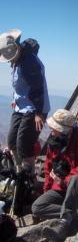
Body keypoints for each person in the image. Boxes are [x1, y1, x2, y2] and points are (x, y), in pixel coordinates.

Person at [32, 109, 78, 242]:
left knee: (76, 179)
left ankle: (63, 224)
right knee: (37, 207)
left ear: (64, 130)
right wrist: (47, 191)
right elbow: (48, 169)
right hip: (61, 188)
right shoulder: (55, 142)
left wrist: (62, 182)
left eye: (55, 128)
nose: (52, 131)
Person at [0, 29, 50, 175]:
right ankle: (19, 171)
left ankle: (28, 179)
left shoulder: (29, 63)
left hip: (34, 109)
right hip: (21, 107)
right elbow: (20, 84)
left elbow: (37, 88)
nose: (8, 60)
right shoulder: (19, 59)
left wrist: (39, 113)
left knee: (24, 144)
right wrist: (16, 98)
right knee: (11, 141)